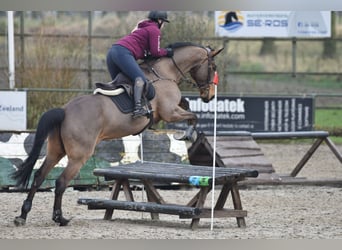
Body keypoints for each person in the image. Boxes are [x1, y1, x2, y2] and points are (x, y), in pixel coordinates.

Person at [106, 11, 174, 119]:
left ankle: (117, 111)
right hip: (123, 53)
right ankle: (138, 108)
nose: (163, 25)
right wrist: (167, 52)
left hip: (112, 52)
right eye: (164, 22)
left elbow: (145, 51)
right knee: (140, 79)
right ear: (160, 21)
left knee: (120, 84)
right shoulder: (154, 30)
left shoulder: (142, 27)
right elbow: (156, 52)